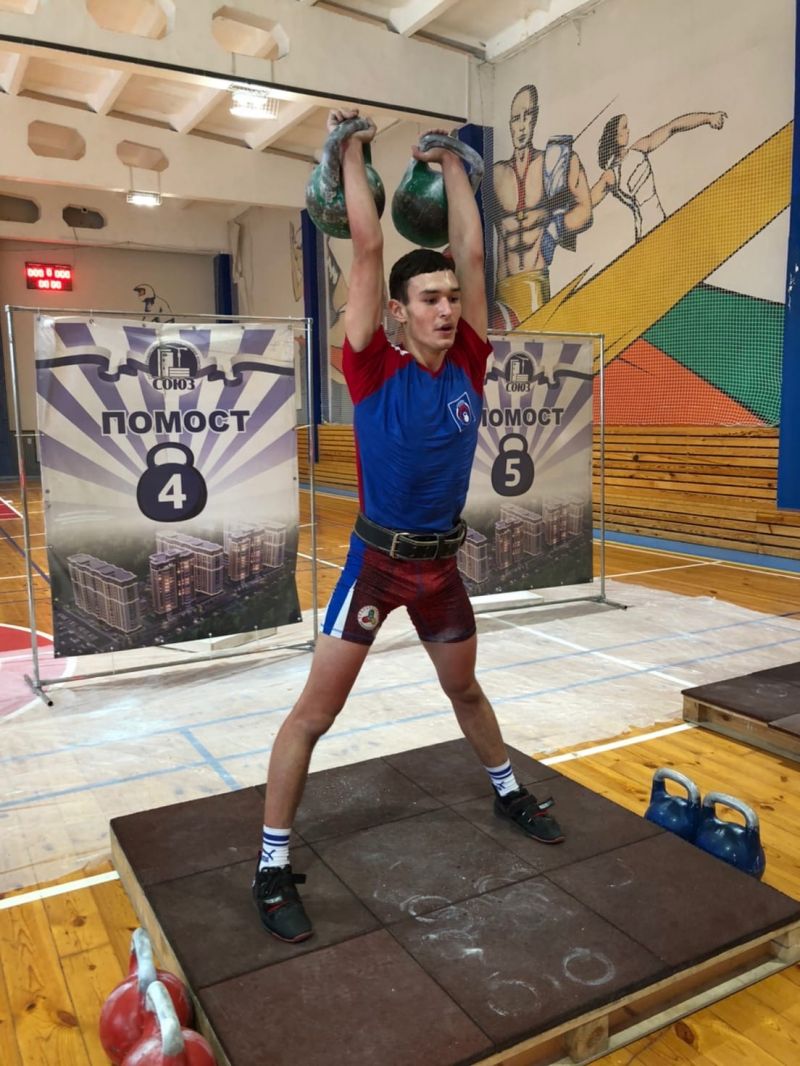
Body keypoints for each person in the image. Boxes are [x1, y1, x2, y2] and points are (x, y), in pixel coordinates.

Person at [252, 109, 565, 944]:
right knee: (313, 716)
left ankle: (508, 792)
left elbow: (473, 256)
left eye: (451, 300)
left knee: (465, 690)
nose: (447, 308)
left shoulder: (469, 361)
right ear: (397, 311)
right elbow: (364, 248)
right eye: (429, 299)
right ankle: (272, 864)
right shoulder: (369, 364)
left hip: (441, 570)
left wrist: (453, 163)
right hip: (376, 564)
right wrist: (352, 150)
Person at [492, 83, 592, 326]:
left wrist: (554, 231)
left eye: (527, 116)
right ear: (509, 124)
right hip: (501, 288)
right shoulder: (495, 174)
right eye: (515, 119)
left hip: (534, 281)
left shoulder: (554, 162)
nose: (521, 125)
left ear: (535, 118)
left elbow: (585, 210)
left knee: (535, 347)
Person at [591, 111, 727, 242]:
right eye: (624, 127)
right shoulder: (610, 176)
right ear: (616, 136)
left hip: (663, 224)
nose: (628, 131)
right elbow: (587, 204)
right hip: (646, 237)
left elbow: (672, 127)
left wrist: (708, 118)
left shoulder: (638, 149)